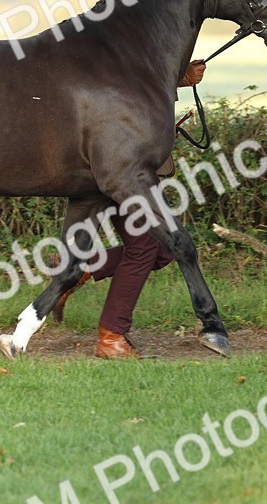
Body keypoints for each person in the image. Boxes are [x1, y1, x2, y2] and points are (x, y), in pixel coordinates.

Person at [52, 59, 206, 359]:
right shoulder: (122, 33)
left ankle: (79, 271)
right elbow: (123, 83)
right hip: (122, 164)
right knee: (148, 246)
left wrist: (176, 78)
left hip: (124, 161)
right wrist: (175, 77)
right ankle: (111, 337)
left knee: (162, 249)